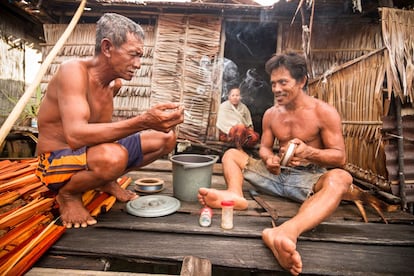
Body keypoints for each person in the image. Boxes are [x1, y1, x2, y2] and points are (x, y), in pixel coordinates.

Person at [198, 52, 353, 275]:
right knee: (232, 154)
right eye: (273, 83)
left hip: (307, 180)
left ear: (301, 81)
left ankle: (286, 231)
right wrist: (268, 158)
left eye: (283, 82)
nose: (276, 89)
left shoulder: (324, 112)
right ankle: (235, 195)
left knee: (341, 178)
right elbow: (264, 147)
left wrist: (309, 152)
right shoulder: (271, 114)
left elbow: (340, 157)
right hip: (275, 175)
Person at [35, 13, 184, 229]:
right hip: (54, 161)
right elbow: (76, 136)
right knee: (114, 157)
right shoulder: (73, 72)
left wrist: (156, 122)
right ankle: (68, 195)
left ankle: (104, 180)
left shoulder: (113, 85)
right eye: (133, 55)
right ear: (107, 48)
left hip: (87, 154)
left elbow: (99, 128)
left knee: (166, 138)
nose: (139, 64)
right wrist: (143, 121)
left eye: (140, 56)